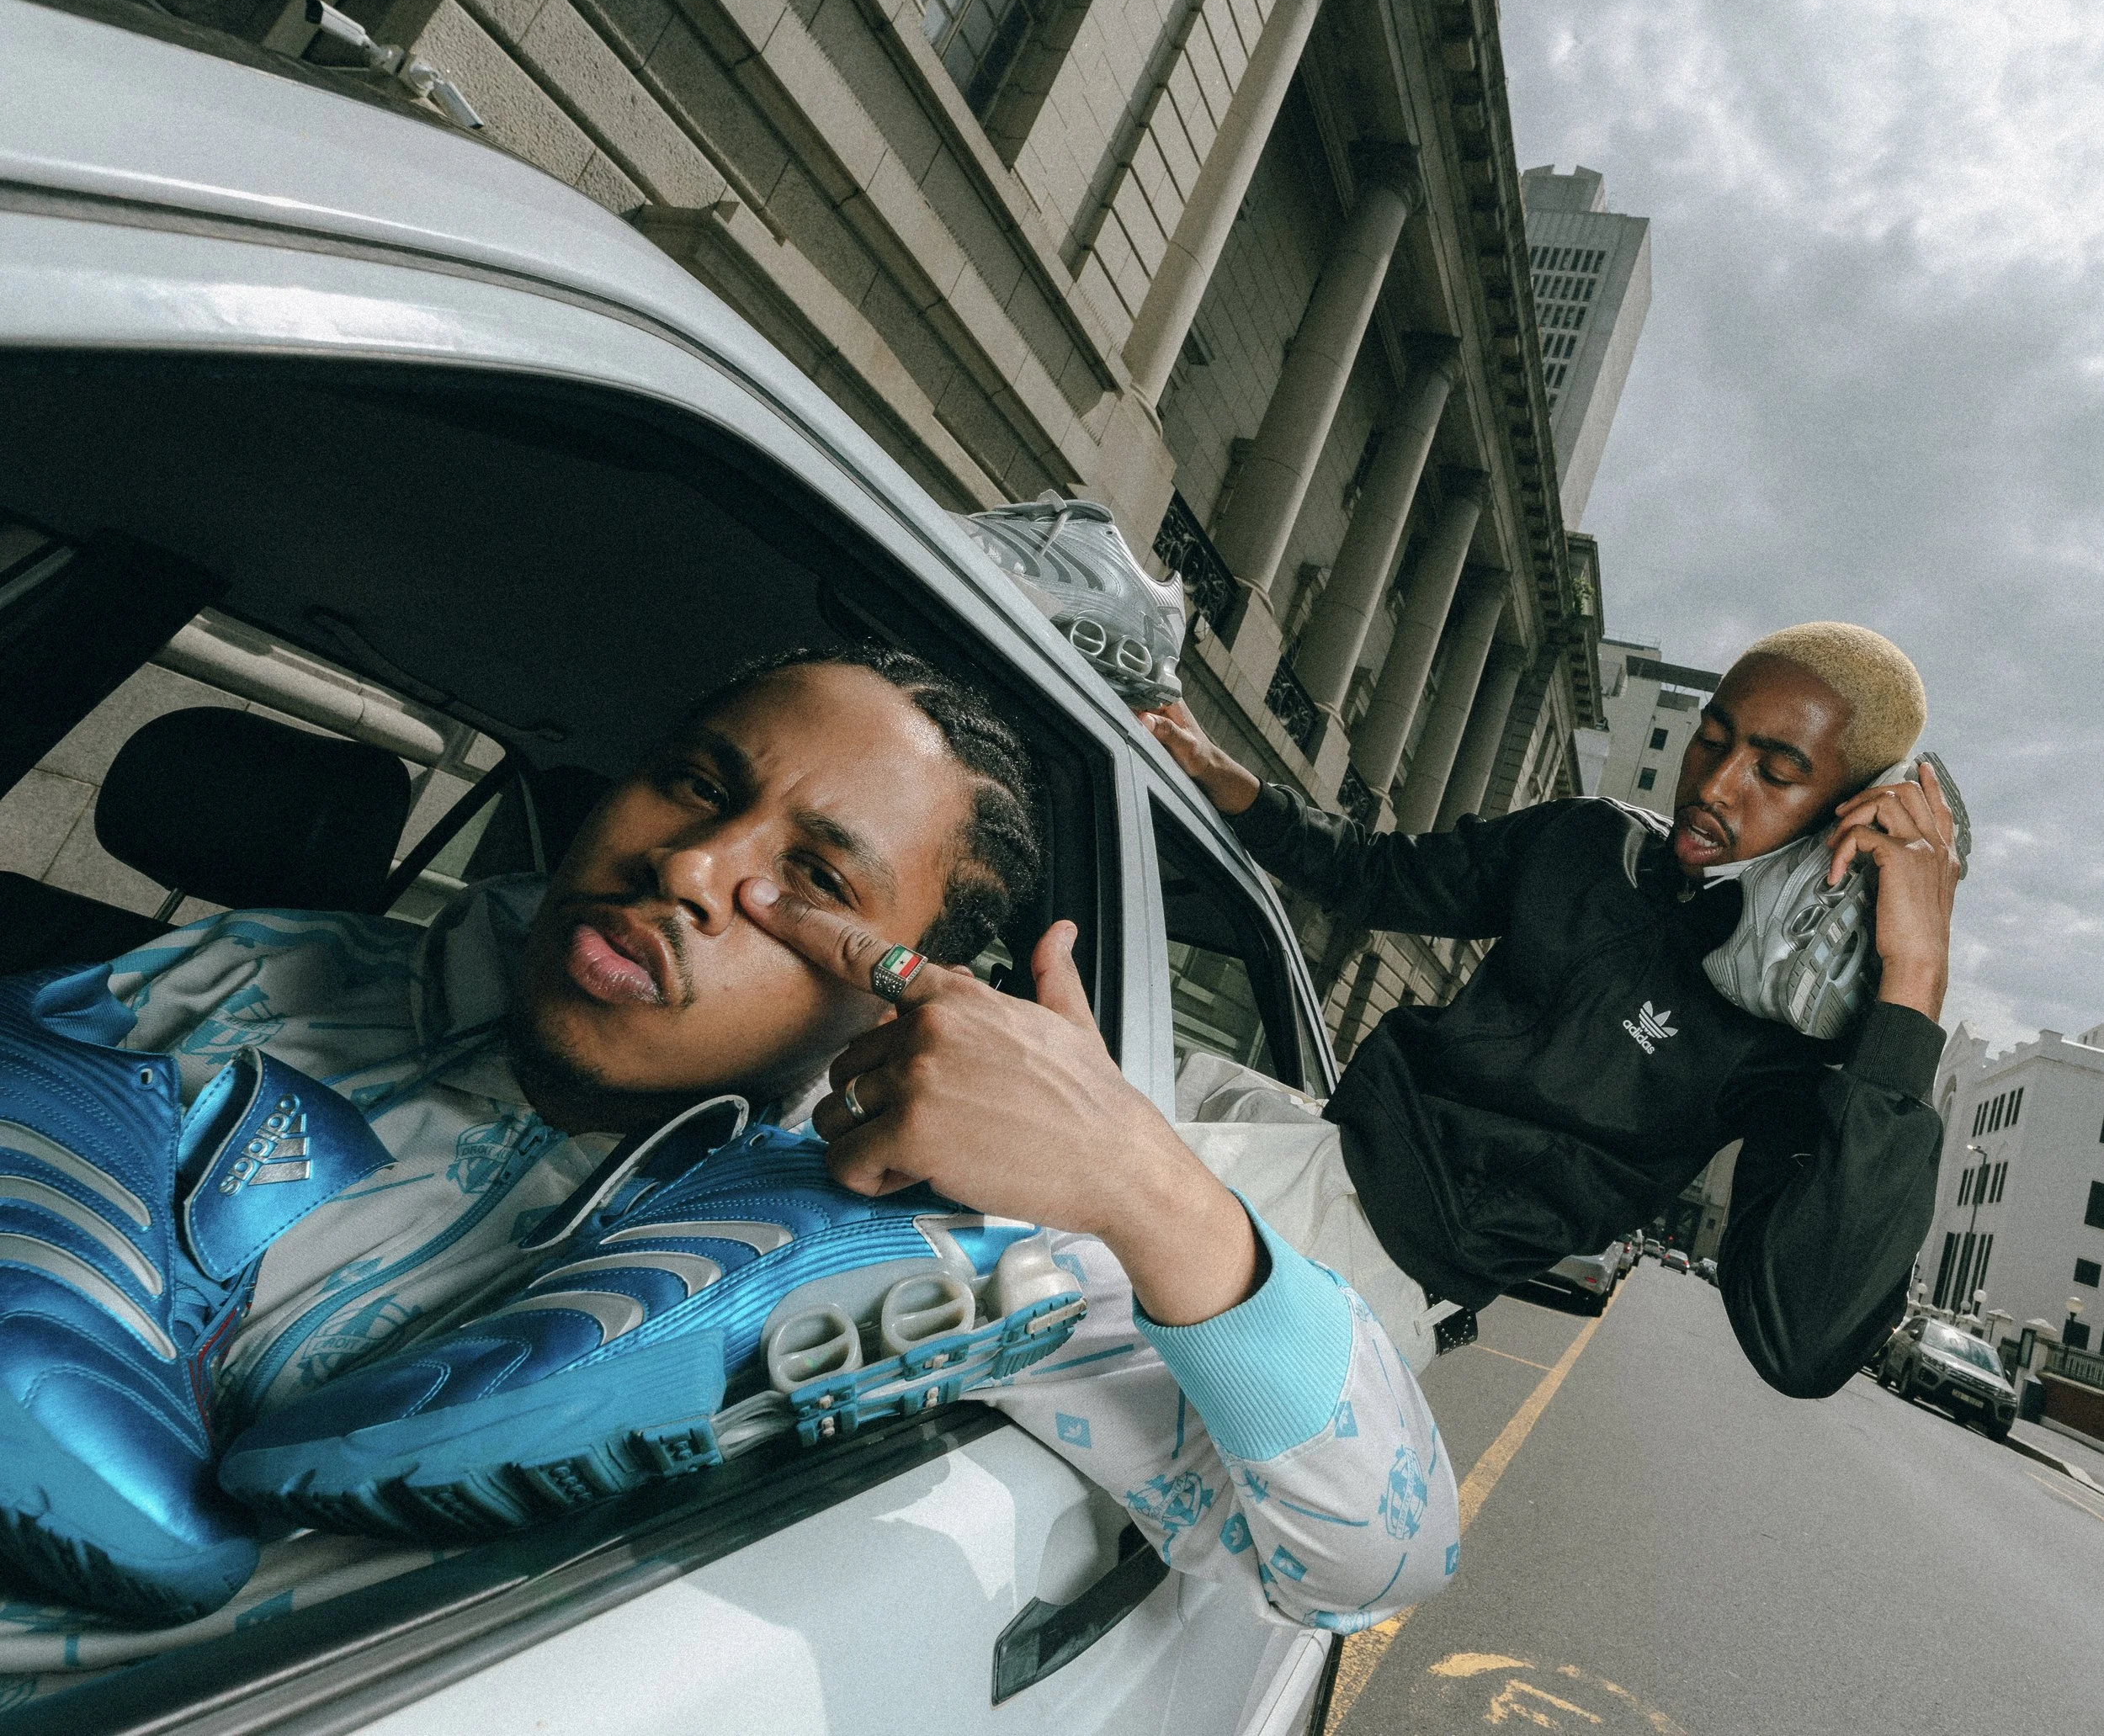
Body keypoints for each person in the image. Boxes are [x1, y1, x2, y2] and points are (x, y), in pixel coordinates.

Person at [2, 645, 1456, 1636]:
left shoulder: (944, 1268)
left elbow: (1368, 1565)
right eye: (700, 785)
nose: (690, 868)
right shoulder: (263, 977)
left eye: (814, 874)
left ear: (894, 987)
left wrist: (1143, 1185)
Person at [1137, 621, 1962, 1397]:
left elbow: (1802, 1341)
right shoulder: (1584, 842)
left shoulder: (1788, 1046)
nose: (1714, 784)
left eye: (1775, 773)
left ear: (1843, 818)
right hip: (1316, 1153)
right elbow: (1380, 874)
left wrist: (1915, 974)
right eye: (1711, 740)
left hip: (1353, 1275)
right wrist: (1227, 780)